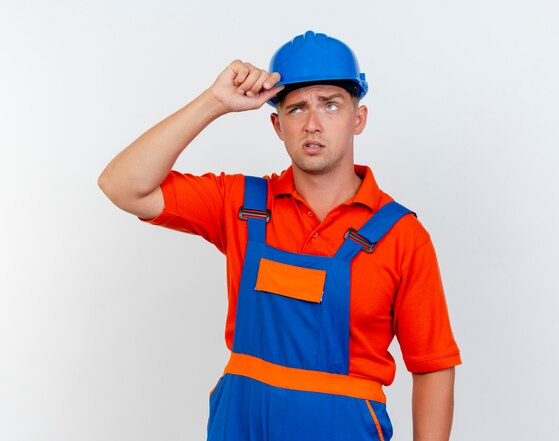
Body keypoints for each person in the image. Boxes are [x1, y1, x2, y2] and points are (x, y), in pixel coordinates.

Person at [99, 30, 461, 441]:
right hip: (241, 424)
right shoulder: (240, 204)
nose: (312, 124)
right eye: (296, 109)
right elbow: (122, 184)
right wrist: (214, 102)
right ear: (277, 125)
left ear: (357, 119)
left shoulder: (401, 236)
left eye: (330, 105)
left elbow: (431, 364)